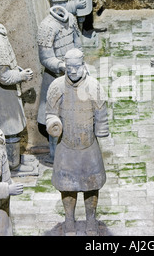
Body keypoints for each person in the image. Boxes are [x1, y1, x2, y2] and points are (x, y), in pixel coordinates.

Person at [46, 48, 109, 236]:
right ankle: (69, 220)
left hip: (89, 146)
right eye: (69, 68)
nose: (73, 72)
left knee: (91, 185)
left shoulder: (94, 86)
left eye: (77, 67)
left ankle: (91, 220)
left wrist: (102, 129)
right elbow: (50, 113)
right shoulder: (56, 87)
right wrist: (53, 123)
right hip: (66, 146)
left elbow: (101, 111)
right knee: (67, 186)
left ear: (83, 65)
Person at [0, 21, 35, 174]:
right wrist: (21, 75)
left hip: (5, 93)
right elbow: (4, 76)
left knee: (11, 127)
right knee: (10, 128)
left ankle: (12, 162)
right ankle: (12, 165)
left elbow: (5, 68)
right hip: (3, 94)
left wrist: (17, 71)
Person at [37, 6, 83, 164]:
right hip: (54, 78)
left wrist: (78, 61)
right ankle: (55, 155)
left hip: (74, 75)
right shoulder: (46, 26)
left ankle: (73, 150)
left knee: (75, 115)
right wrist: (61, 66)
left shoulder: (71, 18)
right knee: (53, 114)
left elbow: (78, 43)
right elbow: (45, 57)